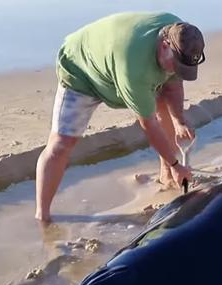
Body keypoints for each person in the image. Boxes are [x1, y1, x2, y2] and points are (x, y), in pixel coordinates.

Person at [35, 12, 205, 222]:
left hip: (119, 63)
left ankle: (167, 176)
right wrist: (176, 164)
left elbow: (173, 84)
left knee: (163, 98)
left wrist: (179, 120)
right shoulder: (134, 67)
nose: (176, 71)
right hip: (81, 69)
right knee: (61, 144)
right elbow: (148, 124)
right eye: (176, 65)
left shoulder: (180, 34)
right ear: (164, 45)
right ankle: (42, 216)